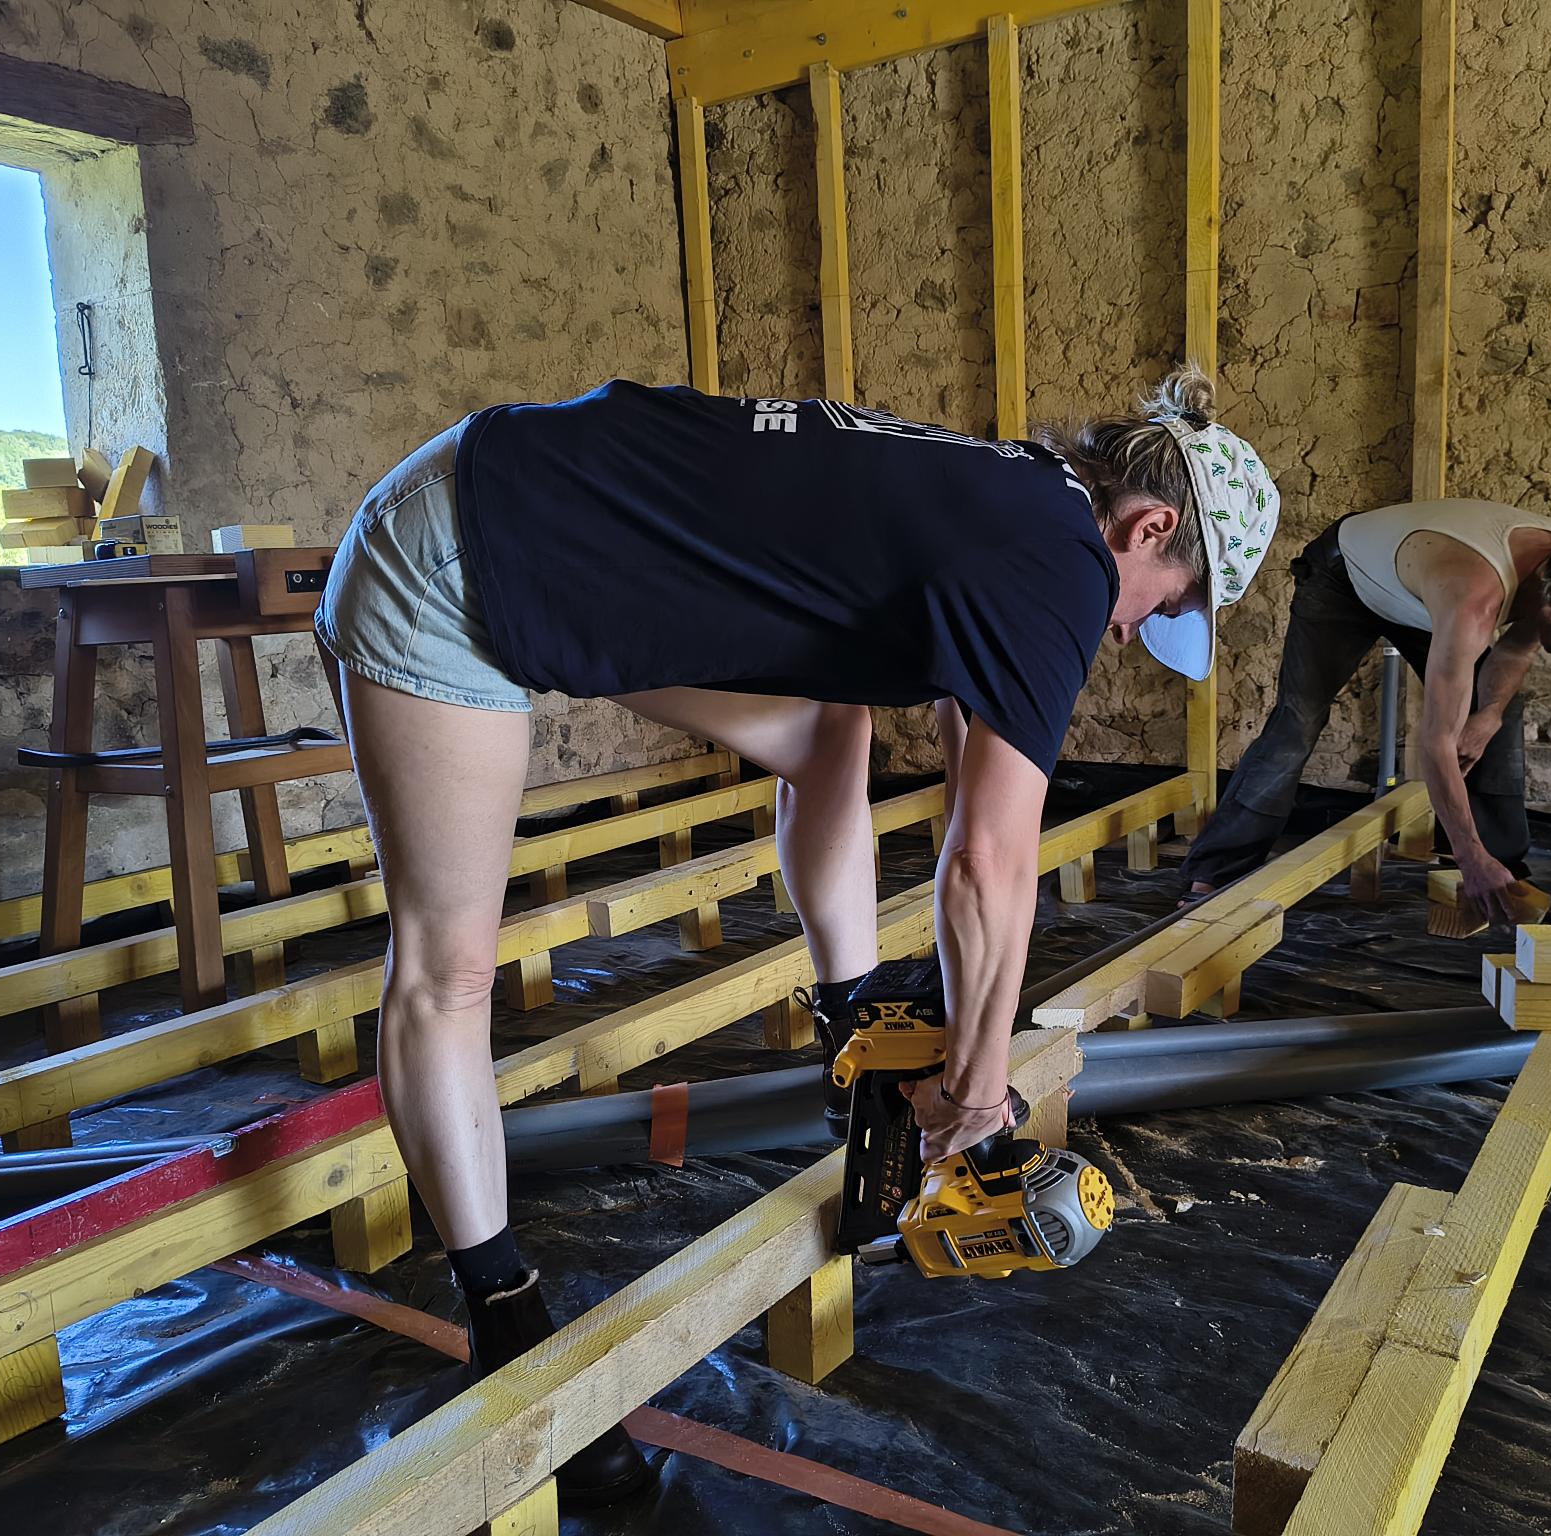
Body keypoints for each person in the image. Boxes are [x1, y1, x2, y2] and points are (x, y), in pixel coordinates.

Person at [312, 370, 1278, 1504]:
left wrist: (915, 1042)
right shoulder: (1062, 566)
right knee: (450, 969)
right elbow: (989, 863)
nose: (1131, 630)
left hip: (536, 509)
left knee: (831, 730)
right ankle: (504, 1321)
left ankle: (846, 1021)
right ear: (1148, 529)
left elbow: (973, 773)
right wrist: (975, 1088)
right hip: (451, 556)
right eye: (1161, 606)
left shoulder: (1021, 501)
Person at [1175, 498, 1551, 924]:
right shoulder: (1473, 601)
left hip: (1418, 592)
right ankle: (1216, 874)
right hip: (1344, 577)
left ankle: (1504, 873)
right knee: (1298, 722)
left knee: (1497, 712)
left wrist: (1488, 716)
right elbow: (1437, 744)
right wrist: (1467, 857)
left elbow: (1515, 651)